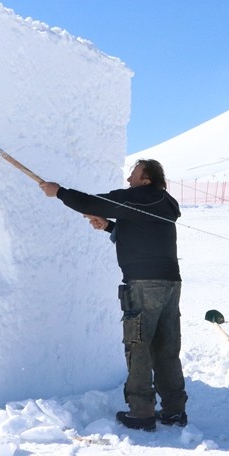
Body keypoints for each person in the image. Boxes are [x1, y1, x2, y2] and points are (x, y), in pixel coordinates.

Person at [39, 159, 188, 432]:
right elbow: (143, 233)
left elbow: (91, 202)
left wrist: (59, 192)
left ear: (146, 180)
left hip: (144, 284)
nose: (129, 179)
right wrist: (109, 227)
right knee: (166, 348)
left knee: (139, 346)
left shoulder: (139, 196)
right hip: (170, 283)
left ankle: (142, 413)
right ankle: (174, 411)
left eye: (134, 174)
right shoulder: (162, 201)